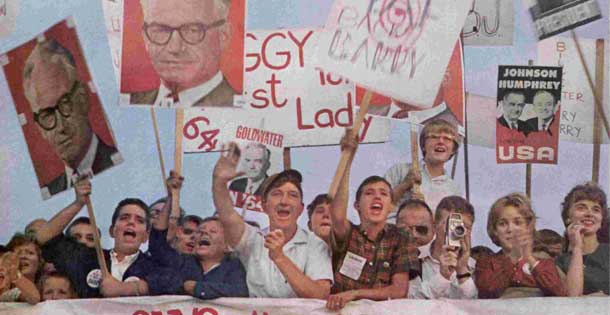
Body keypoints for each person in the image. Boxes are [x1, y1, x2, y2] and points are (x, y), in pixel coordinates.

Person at [212, 143, 333, 299]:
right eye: (276, 194)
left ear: (301, 209)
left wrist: (278, 257)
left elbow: (320, 294)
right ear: (264, 205)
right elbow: (227, 215)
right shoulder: (252, 239)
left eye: (293, 195)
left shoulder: (315, 245)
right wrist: (219, 182)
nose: (284, 201)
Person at [35, 179, 174, 298]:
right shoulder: (87, 258)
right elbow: (44, 238)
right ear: (112, 231)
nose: (131, 222)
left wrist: (123, 288)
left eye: (139, 220)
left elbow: (174, 282)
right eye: (124, 218)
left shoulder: (154, 266)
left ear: (145, 236)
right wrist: (78, 203)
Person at [22, 38, 119, 197]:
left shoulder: (115, 161)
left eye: (64, 103)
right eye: (47, 115)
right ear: (40, 128)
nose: (60, 127)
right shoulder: (52, 191)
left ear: (82, 98)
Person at [327, 129, 410, 311]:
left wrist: (356, 294)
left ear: (391, 207)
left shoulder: (400, 238)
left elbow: (399, 290)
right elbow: (338, 214)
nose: (377, 198)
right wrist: (347, 159)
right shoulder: (348, 234)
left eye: (384, 194)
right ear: (356, 205)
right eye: (369, 193)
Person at [148, 171, 248, 299]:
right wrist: (170, 197)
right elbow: (157, 244)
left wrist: (196, 288)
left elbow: (239, 292)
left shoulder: (233, 266)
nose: (204, 233)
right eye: (201, 231)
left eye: (213, 231)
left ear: (227, 246)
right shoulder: (182, 261)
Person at [131, 0, 237, 107]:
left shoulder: (240, 109)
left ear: (223, 36)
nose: (174, 48)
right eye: (161, 30)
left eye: (192, 30)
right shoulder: (130, 102)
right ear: (145, 37)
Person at [475, 193, 567, 298]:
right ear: (495, 230)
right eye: (502, 224)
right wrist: (513, 258)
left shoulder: (544, 263)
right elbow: (487, 292)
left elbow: (559, 293)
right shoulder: (486, 263)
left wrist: (530, 260)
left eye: (517, 222)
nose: (510, 229)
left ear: (528, 227)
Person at [385, 119, 462, 215]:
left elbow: (448, 225)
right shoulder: (399, 171)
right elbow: (380, 205)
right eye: (434, 137)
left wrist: (424, 210)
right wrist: (404, 185)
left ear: (453, 150)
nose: (440, 141)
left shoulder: (453, 190)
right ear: (423, 145)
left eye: (447, 138)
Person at [408, 196, 477, 299]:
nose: (456, 231)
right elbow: (409, 302)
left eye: (463, 227)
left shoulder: (475, 266)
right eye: (450, 225)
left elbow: (476, 307)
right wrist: (442, 277)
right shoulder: (414, 259)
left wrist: (462, 271)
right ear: (435, 226)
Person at [556, 183, 609, 296]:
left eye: (596, 210)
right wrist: (577, 248)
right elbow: (572, 296)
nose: (589, 214)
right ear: (568, 217)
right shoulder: (559, 263)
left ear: (601, 221)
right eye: (581, 208)